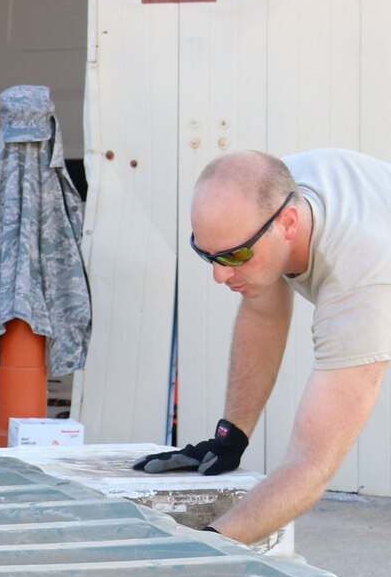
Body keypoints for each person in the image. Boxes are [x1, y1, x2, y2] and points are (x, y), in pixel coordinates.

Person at [135, 148, 391, 542]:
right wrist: (231, 437)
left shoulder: (362, 281)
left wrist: (206, 546)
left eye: (234, 255)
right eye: (207, 255)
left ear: (289, 224)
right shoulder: (270, 198)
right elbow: (263, 310)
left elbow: (311, 465)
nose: (220, 275)